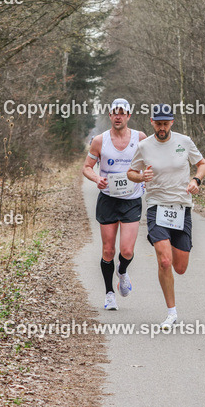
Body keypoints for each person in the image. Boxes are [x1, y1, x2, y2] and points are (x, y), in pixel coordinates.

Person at [128, 104, 205, 330]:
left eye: (166, 123)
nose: (162, 127)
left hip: (182, 207)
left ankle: (174, 254)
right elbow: (131, 173)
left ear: (172, 122)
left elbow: (202, 164)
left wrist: (196, 180)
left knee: (180, 267)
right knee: (164, 260)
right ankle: (171, 312)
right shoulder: (143, 146)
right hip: (156, 207)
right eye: (158, 123)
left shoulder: (184, 142)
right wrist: (141, 176)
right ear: (152, 122)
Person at [83, 98, 145, 310]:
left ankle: (123, 270)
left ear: (128, 115)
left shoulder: (140, 138)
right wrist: (95, 179)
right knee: (108, 250)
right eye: (114, 112)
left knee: (126, 250)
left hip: (131, 200)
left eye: (122, 112)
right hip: (108, 199)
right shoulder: (100, 141)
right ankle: (109, 293)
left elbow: (150, 163)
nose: (118, 116)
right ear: (110, 116)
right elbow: (87, 167)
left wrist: (146, 175)